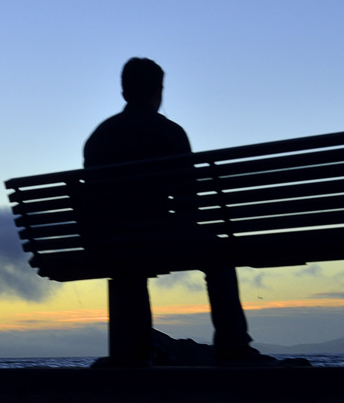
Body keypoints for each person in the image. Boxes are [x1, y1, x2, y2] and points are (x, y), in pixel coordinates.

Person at [83, 57, 274, 366]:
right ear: (158, 91)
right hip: (160, 234)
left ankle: (133, 352)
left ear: (124, 91)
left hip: (109, 240)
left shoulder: (100, 136)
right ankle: (233, 346)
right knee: (219, 255)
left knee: (127, 264)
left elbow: (93, 199)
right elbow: (189, 200)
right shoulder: (169, 132)